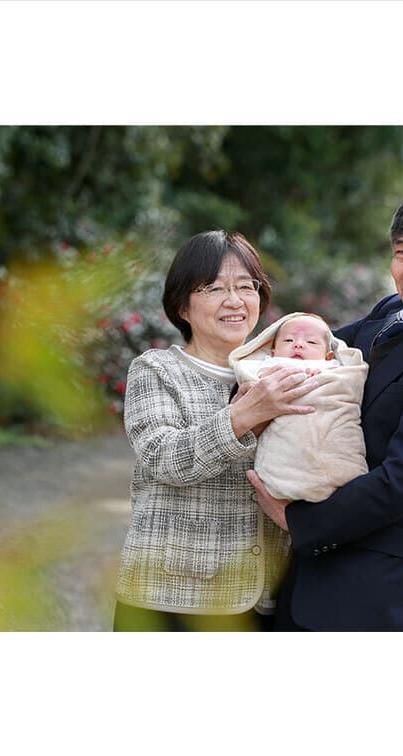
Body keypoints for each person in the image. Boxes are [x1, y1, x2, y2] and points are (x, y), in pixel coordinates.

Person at [248, 181, 403, 631]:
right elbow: (310, 353)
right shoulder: (389, 312)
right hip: (296, 572)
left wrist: (298, 520)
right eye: (402, 253)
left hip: (362, 587)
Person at [113, 230, 318, 631]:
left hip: (264, 599)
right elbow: (164, 459)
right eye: (213, 288)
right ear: (182, 306)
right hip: (169, 599)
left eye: (246, 286)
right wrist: (243, 416)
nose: (235, 300)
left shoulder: (282, 372)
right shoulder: (156, 370)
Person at [229, 312, 368, 503]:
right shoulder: (266, 367)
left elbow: (348, 385)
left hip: (328, 423)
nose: (298, 344)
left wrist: (317, 374)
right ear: (273, 352)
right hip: (288, 446)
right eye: (288, 340)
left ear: (328, 356)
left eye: (311, 342)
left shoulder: (336, 369)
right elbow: (256, 387)